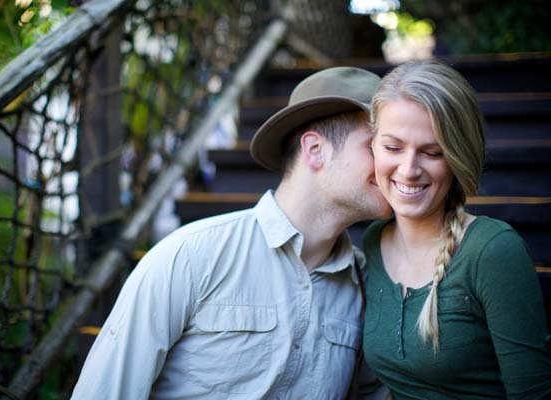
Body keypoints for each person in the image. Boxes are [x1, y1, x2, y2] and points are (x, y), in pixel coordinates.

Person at [71, 67, 392, 399]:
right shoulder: (191, 256)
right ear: (315, 150)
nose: (393, 167)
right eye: (378, 147)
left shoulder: (367, 285)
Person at [362, 59, 551, 399]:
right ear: (372, 145)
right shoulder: (374, 241)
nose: (408, 169)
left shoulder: (492, 250)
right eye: (393, 147)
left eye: (432, 153)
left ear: (458, 156)